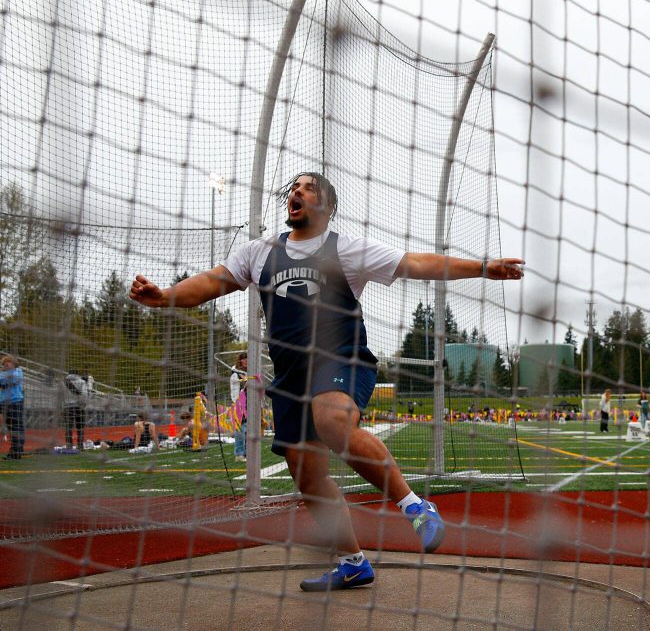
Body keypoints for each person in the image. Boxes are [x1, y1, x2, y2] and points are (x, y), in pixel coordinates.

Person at [129, 171, 524, 592]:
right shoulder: (259, 252)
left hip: (342, 358)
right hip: (292, 377)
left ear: (327, 206)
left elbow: (415, 263)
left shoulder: (347, 250)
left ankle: (415, 506)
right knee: (308, 477)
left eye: (309, 187)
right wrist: (166, 296)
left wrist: (482, 267)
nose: (297, 192)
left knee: (333, 422)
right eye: (294, 188)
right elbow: (210, 282)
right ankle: (353, 563)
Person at [0, 355, 26, 460]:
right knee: (11, 428)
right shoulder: (3, 373)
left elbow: (13, 379)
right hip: (4, 403)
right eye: (5, 362)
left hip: (15, 402)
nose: (7, 363)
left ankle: (16, 451)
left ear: (14, 363)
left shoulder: (18, 371)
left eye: (9, 361)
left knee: (17, 427)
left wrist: (3, 379)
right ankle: (16, 450)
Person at [230, 353, 248, 461]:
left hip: (249, 404)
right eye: (244, 358)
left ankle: (245, 453)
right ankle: (239, 454)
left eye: (247, 358)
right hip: (239, 405)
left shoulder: (249, 373)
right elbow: (235, 391)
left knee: (247, 430)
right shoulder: (235, 373)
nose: (246, 360)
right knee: (240, 430)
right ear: (240, 361)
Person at [63, 370, 87, 450]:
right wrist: (83, 405)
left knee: (68, 427)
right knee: (80, 427)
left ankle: (68, 445)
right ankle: (80, 445)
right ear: (77, 374)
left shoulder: (63, 382)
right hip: (78, 407)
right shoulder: (82, 382)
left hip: (67, 407)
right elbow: (84, 394)